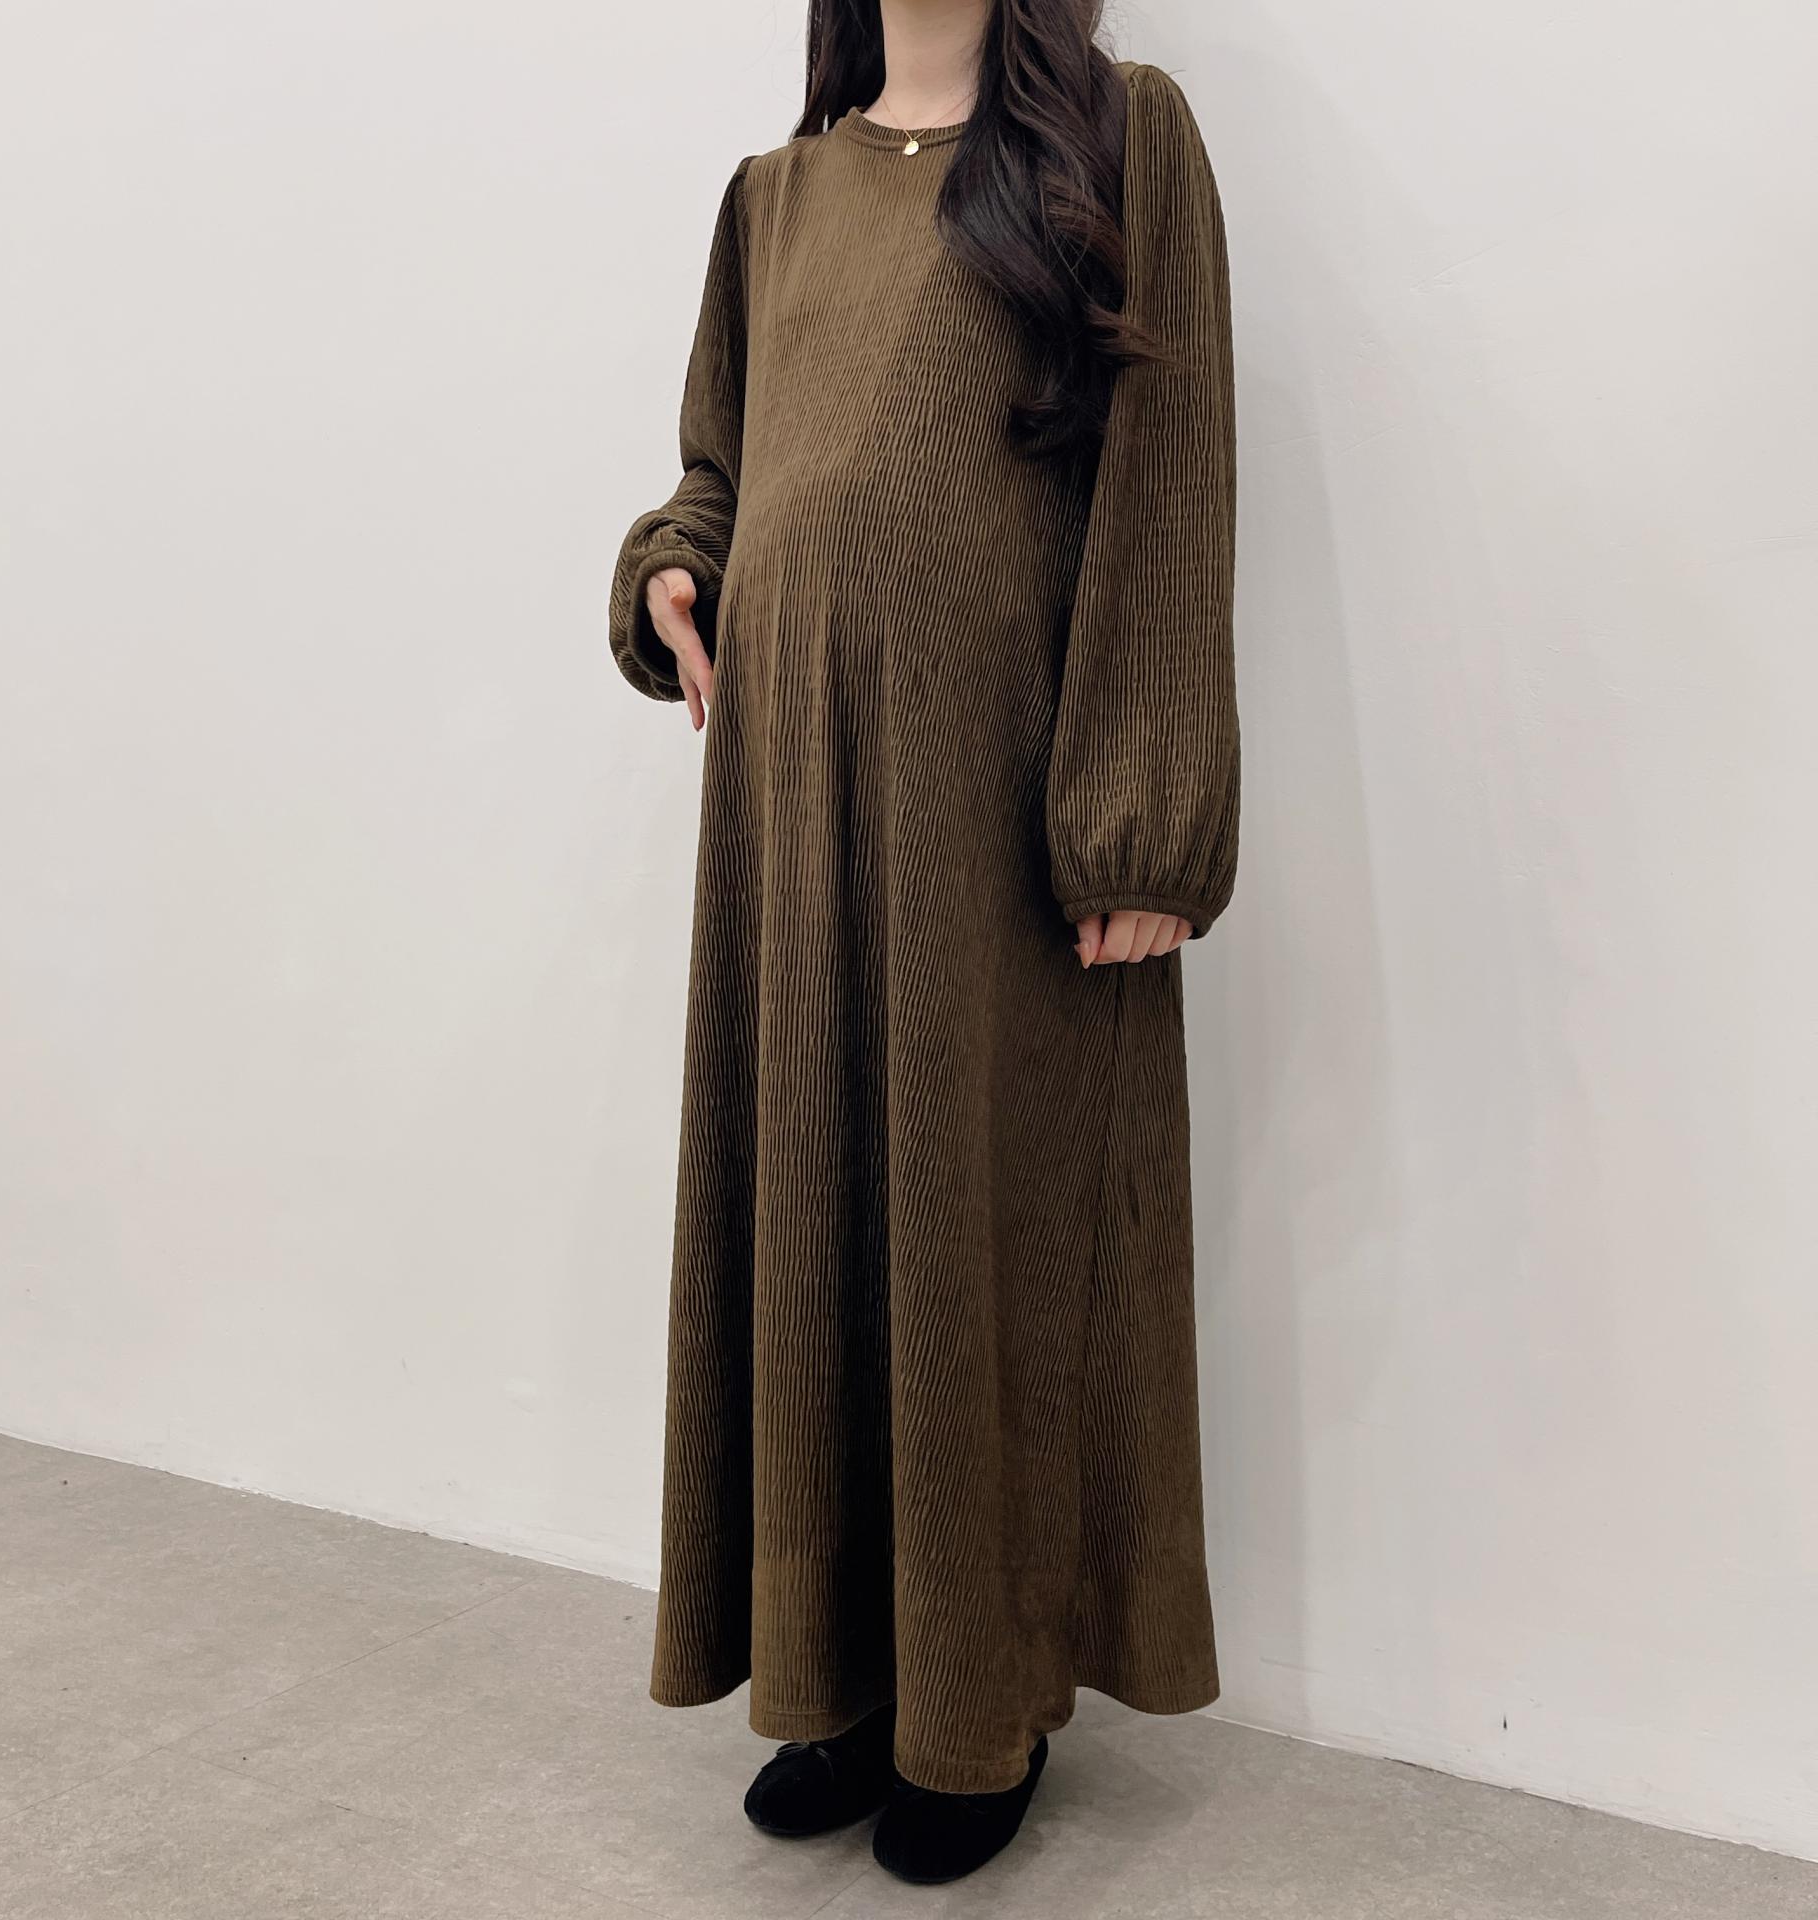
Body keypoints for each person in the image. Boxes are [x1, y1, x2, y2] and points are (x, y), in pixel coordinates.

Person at [606, 0, 1238, 1885]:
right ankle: (846, 1680)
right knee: (819, 1218)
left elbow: (1169, 471)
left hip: (994, 807)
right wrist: (671, 566)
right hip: (790, 803)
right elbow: (721, 466)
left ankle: (983, 1699)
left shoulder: (1121, 136)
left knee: (981, 1227)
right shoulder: (775, 196)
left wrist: (1142, 806)